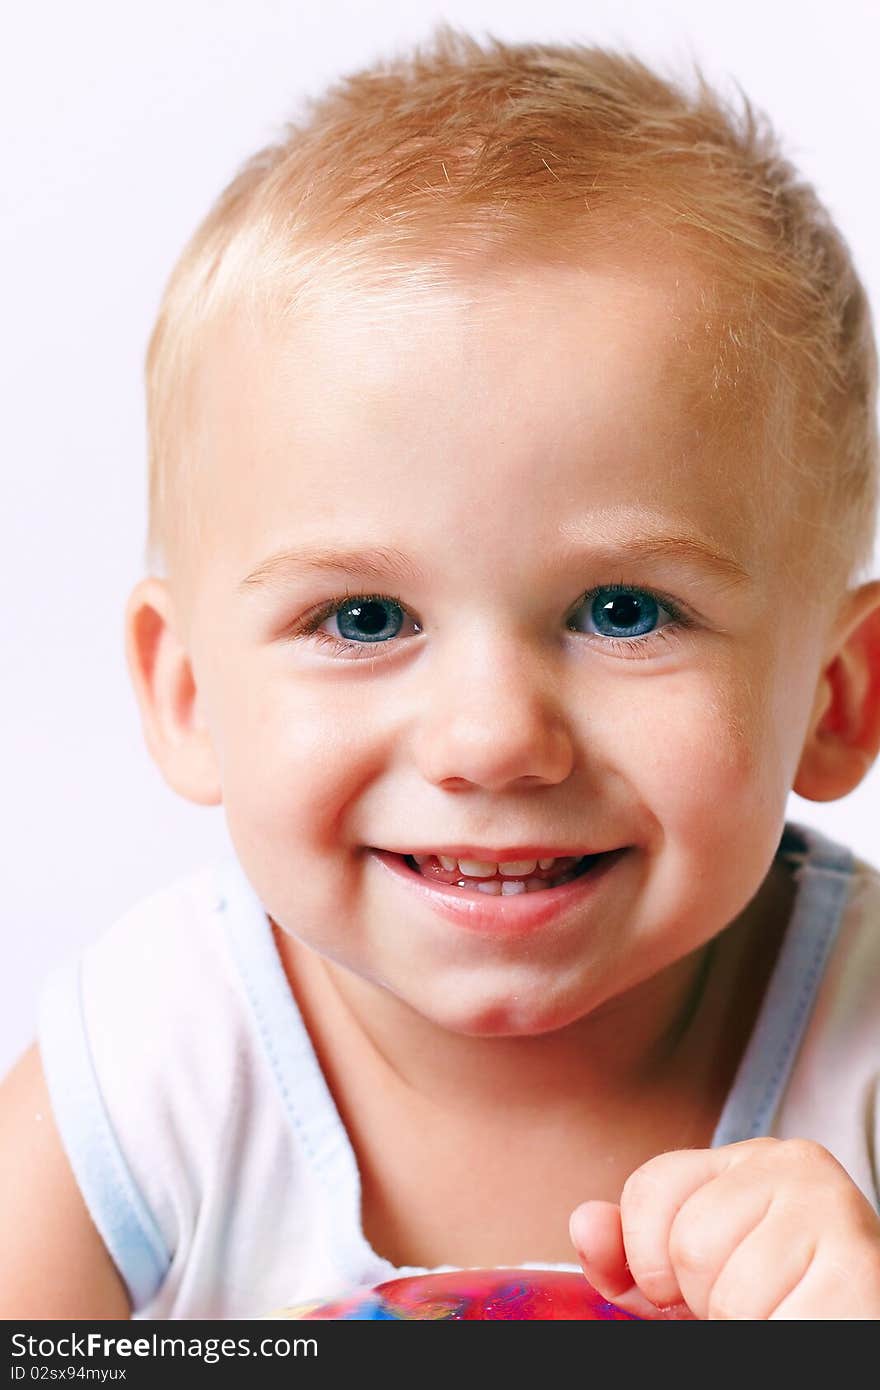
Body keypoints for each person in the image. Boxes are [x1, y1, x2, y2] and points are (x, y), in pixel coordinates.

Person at [2, 23, 880, 1321]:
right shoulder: (150, 1077)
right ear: (186, 693)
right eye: (362, 617)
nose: (490, 738)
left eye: (623, 608)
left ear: (838, 696)